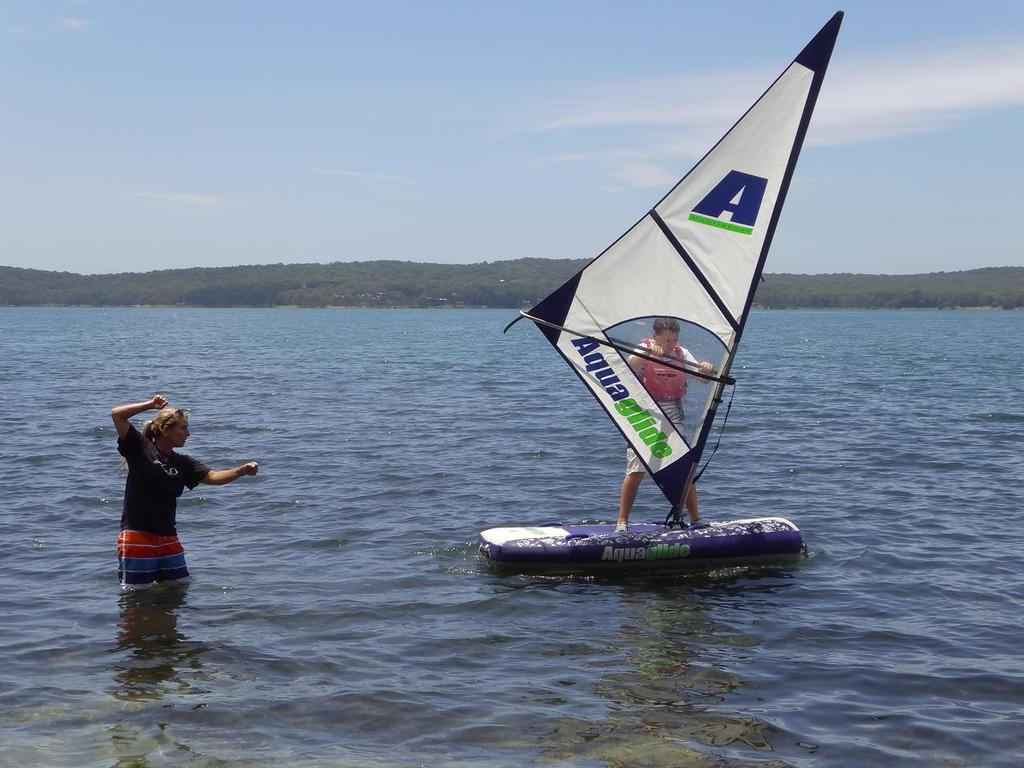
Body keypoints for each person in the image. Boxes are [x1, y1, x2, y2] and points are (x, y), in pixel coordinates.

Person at [111, 394, 259, 589]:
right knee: (136, 597)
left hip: (168, 538)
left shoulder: (183, 462)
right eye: (183, 428)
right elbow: (117, 415)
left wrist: (241, 471)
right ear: (166, 429)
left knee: (179, 590)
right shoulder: (140, 448)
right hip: (138, 536)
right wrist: (150, 405)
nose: (188, 434)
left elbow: (213, 477)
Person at [615, 318, 714, 532]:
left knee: (685, 468)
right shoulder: (645, 347)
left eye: (674, 339)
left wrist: (706, 370)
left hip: (673, 413)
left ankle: (695, 519)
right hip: (645, 413)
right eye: (666, 340)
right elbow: (628, 366)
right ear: (655, 335)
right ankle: (622, 522)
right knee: (637, 469)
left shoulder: (681, 353)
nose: (670, 344)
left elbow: (703, 379)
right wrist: (649, 354)